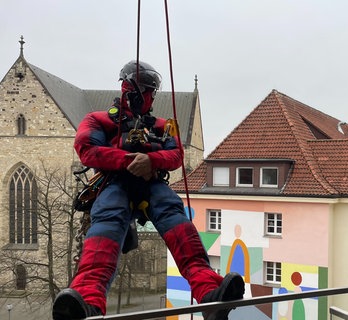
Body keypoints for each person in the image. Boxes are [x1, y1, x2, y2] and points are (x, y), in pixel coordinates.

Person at [52, 60, 244, 320]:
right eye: (148, 90)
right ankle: (86, 301)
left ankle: (210, 292)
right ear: (129, 89)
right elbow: (87, 149)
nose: (151, 97)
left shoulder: (163, 125)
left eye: (153, 92)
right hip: (115, 182)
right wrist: (131, 160)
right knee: (109, 218)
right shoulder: (99, 119)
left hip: (151, 183)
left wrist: (151, 161)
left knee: (175, 216)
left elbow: (176, 154)